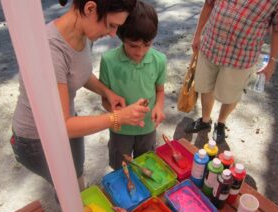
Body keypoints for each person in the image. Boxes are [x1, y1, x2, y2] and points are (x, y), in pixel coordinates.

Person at [10, 0, 150, 192]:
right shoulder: (51, 50)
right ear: (90, 8)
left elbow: (76, 73)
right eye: (111, 25)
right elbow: (62, 126)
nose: (112, 33)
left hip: (69, 125)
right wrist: (118, 117)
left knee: (78, 184)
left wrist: (106, 92)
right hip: (37, 140)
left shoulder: (83, 32)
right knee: (71, 194)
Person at [185, 0, 278, 143]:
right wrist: (197, 35)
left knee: (231, 95)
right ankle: (205, 120)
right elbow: (209, 4)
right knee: (206, 87)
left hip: (241, 58)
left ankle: (221, 123)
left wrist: (272, 62)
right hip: (211, 46)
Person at [99, 0, 167, 170]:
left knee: (146, 166)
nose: (140, 52)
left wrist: (159, 107)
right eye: (133, 46)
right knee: (121, 169)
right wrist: (119, 114)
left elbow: (160, 90)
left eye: (147, 45)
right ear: (121, 37)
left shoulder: (159, 60)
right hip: (120, 129)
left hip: (148, 128)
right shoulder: (108, 61)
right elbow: (105, 99)